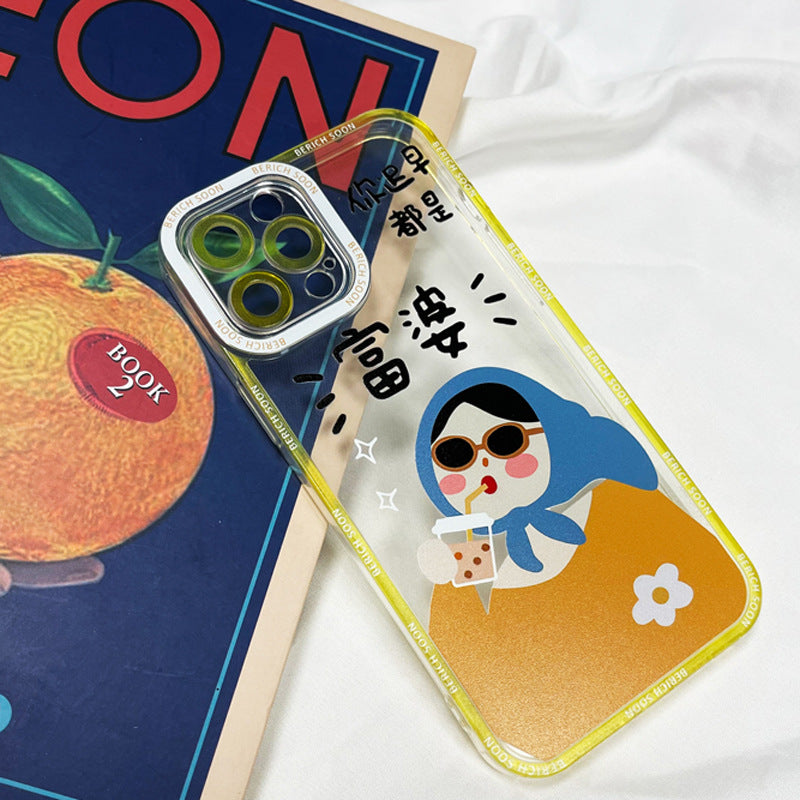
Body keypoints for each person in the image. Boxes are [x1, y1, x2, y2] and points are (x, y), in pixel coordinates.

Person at [414, 367, 747, 760]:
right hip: (606, 748)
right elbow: (485, 695)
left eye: (505, 441)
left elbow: (718, 585)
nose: (483, 465)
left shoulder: (621, 505)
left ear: (552, 432)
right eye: (455, 455)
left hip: (725, 681)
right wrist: (455, 582)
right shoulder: (465, 587)